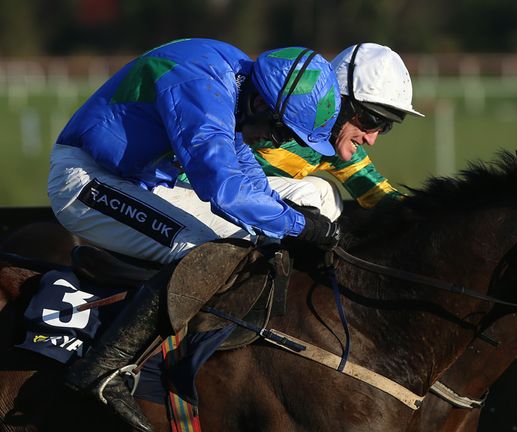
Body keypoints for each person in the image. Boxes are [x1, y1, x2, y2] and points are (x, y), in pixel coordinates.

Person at [48, 39, 341, 431]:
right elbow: (225, 190)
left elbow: (244, 175)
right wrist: (301, 226)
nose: (277, 145)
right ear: (260, 105)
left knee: (253, 234)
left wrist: (290, 214)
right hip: (85, 181)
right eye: (280, 133)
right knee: (204, 250)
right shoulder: (203, 82)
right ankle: (103, 368)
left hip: (141, 181)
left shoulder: (235, 82)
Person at [247, 43, 424, 221]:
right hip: (225, 194)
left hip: (244, 198)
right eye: (372, 121)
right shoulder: (283, 115)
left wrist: (433, 212)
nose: (371, 140)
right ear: (341, 102)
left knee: (328, 195)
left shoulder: (338, 143)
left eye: (384, 127)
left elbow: (380, 195)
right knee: (305, 194)